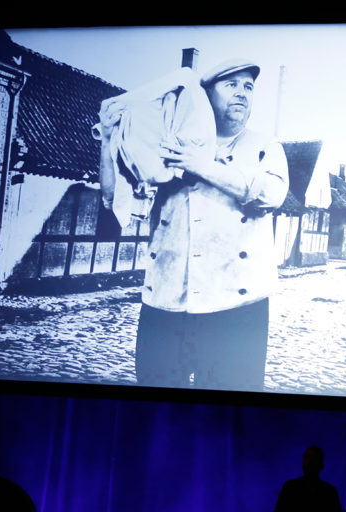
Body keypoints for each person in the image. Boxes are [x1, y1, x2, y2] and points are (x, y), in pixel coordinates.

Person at [128, 57, 289, 390]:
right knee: (155, 397)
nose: (242, 93)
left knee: (231, 401)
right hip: (166, 301)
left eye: (248, 87)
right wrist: (109, 137)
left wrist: (202, 165)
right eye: (231, 85)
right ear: (205, 96)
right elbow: (126, 199)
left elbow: (272, 195)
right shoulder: (170, 144)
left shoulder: (265, 147)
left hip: (236, 307)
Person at [274, 445, 342, 512]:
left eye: (314, 458)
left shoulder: (330, 492)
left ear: (321, 465)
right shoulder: (290, 487)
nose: (309, 461)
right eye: (306, 457)